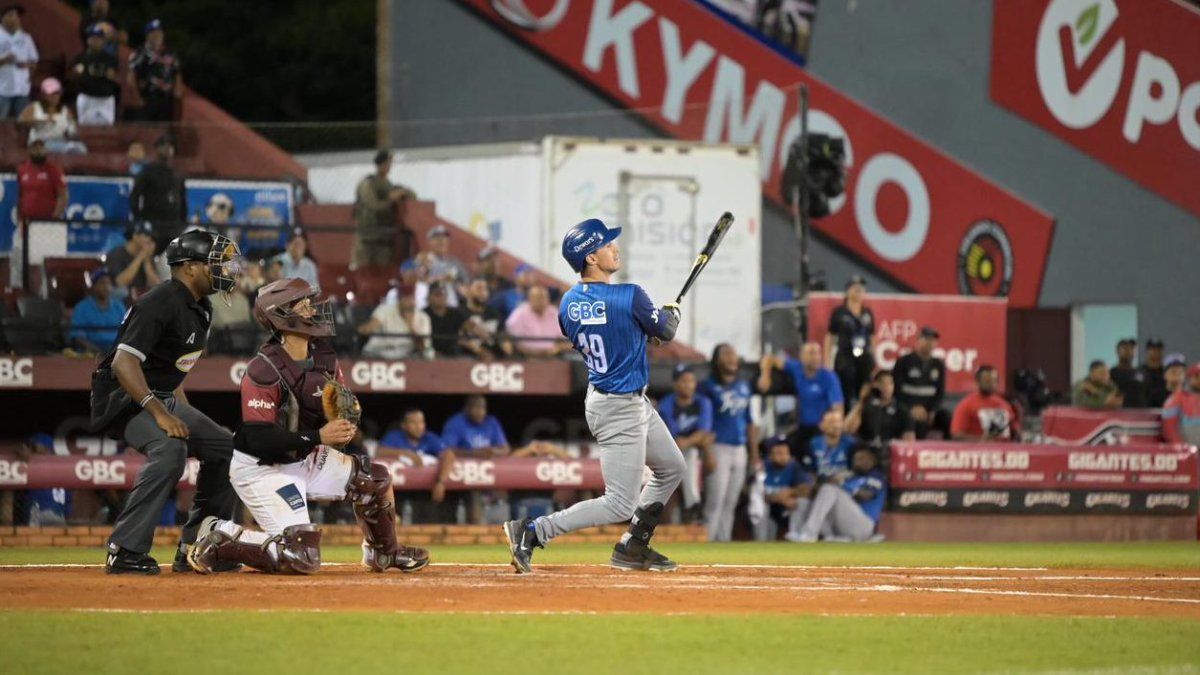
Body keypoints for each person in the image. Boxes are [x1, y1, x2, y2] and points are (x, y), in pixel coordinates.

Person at [185, 277, 430, 575]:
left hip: (304, 454)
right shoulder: (263, 368)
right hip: (262, 467)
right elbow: (257, 437)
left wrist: (344, 424)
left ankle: (384, 553)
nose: (313, 309)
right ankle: (220, 538)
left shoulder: (324, 357)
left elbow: (339, 408)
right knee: (300, 555)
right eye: (303, 304)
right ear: (281, 315)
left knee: (373, 479)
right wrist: (318, 435)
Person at [503, 218, 685, 573]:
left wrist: (651, 330)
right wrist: (667, 320)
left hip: (617, 398)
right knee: (619, 503)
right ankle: (533, 531)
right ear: (590, 258)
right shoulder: (629, 295)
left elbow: (614, 334)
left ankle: (634, 545)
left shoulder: (567, 303)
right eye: (606, 245)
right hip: (620, 405)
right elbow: (663, 330)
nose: (614, 248)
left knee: (672, 468)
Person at [89, 230, 243, 575]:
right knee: (170, 449)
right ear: (189, 267)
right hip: (122, 398)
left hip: (158, 395)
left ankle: (198, 547)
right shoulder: (159, 301)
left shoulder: (201, 307)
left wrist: (183, 414)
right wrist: (160, 413)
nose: (224, 269)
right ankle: (124, 550)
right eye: (215, 262)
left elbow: (172, 375)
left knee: (223, 445)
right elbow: (123, 364)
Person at [699, 343, 759, 542]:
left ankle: (723, 544)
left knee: (731, 502)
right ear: (717, 360)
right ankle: (707, 543)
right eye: (726, 355)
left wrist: (755, 454)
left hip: (740, 447)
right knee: (715, 501)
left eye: (733, 354)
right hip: (719, 446)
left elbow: (750, 421)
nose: (732, 358)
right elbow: (703, 423)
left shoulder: (744, 385)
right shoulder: (708, 386)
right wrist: (707, 451)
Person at [758, 341, 843, 456]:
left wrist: (831, 426)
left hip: (821, 428)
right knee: (777, 446)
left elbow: (838, 408)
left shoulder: (829, 377)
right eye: (811, 353)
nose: (816, 357)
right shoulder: (796, 368)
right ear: (802, 356)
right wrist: (765, 376)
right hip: (802, 426)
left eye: (818, 353)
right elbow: (768, 359)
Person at [787, 447, 886, 543]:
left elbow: (867, 495)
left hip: (863, 527)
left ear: (872, 460)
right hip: (840, 525)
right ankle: (798, 535)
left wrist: (841, 484)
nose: (857, 462)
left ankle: (809, 533)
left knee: (830, 489)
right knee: (801, 502)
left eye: (861, 459)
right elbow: (821, 494)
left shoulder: (876, 476)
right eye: (855, 459)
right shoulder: (850, 476)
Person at [657, 364, 714, 524]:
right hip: (670, 450)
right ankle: (693, 505)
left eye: (691, 380)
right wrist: (692, 440)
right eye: (684, 381)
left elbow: (704, 433)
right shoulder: (667, 403)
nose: (689, 384)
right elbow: (672, 435)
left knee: (690, 454)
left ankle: (692, 506)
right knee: (687, 455)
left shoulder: (703, 402)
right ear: (675, 384)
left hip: (697, 450)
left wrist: (689, 441)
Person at [10, 137, 67, 290]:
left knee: (42, 262)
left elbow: (63, 196)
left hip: (45, 223)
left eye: (41, 147)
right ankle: (16, 290)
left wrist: (53, 220)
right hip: (26, 223)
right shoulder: (23, 170)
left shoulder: (53, 170)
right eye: (35, 147)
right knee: (16, 254)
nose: (38, 150)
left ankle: (44, 296)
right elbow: (20, 195)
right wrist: (21, 218)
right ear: (29, 150)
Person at [377, 408, 456, 505]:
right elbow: (380, 451)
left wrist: (441, 482)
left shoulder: (429, 438)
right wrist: (407, 454)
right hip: (398, 490)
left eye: (421, 422)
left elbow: (449, 455)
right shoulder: (395, 437)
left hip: (426, 489)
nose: (418, 427)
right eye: (413, 423)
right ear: (404, 425)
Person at [353, 149, 414, 269]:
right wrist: (391, 199)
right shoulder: (368, 184)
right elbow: (373, 205)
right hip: (367, 238)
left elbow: (412, 196)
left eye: (390, 163)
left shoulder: (387, 184)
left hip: (383, 238)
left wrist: (402, 192)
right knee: (363, 272)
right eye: (386, 163)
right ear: (379, 164)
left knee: (383, 272)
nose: (388, 167)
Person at [751, 435, 814, 541]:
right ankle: (760, 544)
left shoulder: (794, 466)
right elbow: (754, 493)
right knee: (759, 505)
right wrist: (778, 498)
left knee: (801, 502)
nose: (783, 457)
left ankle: (796, 537)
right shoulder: (762, 466)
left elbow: (808, 488)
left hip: (784, 509)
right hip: (765, 509)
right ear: (770, 456)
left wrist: (791, 492)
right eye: (779, 453)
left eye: (785, 453)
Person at [893, 326, 951, 439]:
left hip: (928, 409)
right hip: (908, 407)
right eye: (926, 339)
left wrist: (932, 410)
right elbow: (897, 390)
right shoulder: (903, 362)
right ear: (918, 340)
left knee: (947, 418)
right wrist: (911, 408)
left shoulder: (938, 365)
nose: (930, 343)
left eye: (933, 340)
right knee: (916, 421)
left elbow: (940, 392)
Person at [130, 136, 187, 251]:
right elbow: (135, 195)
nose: (168, 149)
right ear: (157, 149)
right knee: (152, 254)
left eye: (170, 146)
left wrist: (182, 222)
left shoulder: (177, 173)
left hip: (174, 225)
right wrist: (139, 217)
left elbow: (182, 199)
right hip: (154, 223)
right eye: (164, 145)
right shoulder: (148, 171)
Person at [825, 275, 875, 406]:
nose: (859, 292)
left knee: (864, 390)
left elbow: (872, 336)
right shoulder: (839, 312)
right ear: (848, 291)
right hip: (845, 355)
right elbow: (830, 337)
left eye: (861, 289)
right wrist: (827, 362)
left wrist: (874, 359)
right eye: (855, 288)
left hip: (863, 356)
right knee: (844, 390)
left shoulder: (867, 313)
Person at [845, 369, 915, 450]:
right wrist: (862, 401)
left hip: (891, 453)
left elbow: (909, 443)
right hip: (868, 452)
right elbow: (847, 430)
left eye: (890, 383)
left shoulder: (902, 411)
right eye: (882, 383)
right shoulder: (865, 407)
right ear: (874, 385)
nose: (886, 387)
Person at [127, 19, 181, 122]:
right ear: (148, 35)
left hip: (166, 100)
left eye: (159, 32)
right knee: (144, 133)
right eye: (154, 33)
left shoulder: (171, 54)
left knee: (163, 132)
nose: (157, 36)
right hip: (147, 98)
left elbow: (177, 75)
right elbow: (131, 78)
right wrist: (137, 98)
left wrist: (177, 98)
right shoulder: (140, 53)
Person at [950, 365, 1019, 441]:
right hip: (979, 450)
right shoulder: (966, 405)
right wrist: (981, 440)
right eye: (987, 381)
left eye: (994, 380)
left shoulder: (1004, 405)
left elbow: (1015, 431)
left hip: (1007, 450)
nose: (991, 384)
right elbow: (957, 435)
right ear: (977, 382)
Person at [18, 77, 86, 154]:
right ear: (43, 94)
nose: (54, 97)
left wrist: (71, 131)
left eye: (57, 94)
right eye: (51, 94)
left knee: (80, 147)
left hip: (60, 141)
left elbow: (72, 130)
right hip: (40, 143)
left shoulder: (65, 110)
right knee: (52, 145)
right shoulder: (34, 108)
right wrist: (39, 123)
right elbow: (20, 123)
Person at [359, 292, 432, 360]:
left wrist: (410, 325)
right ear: (399, 300)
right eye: (405, 298)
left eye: (410, 298)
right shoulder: (385, 309)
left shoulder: (423, 318)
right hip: (376, 354)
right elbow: (369, 327)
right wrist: (366, 328)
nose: (408, 301)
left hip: (404, 358)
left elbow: (423, 347)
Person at [68, 268, 126, 355]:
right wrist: (96, 350)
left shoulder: (119, 307)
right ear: (94, 287)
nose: (106, 287)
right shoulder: (82, 307)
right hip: (91, 353)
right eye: (102, 283)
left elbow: (127, 333)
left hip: (115, 351)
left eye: (109, 283)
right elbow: (77, 336)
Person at [72, 24, 120, 126]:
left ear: (103, 41)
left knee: (107, 128)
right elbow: (72, 75)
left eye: (99, 38)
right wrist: (76, 72)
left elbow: (117, 78)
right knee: (84, 127)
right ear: (88, 40)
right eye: (93, 38)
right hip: (86, 96)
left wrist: (112, 75)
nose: (96, 41)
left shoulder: (110, 58)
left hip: (105, 98)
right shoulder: (81, 57)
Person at [506, 284, 571, 357]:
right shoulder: (519, 314)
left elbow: (566, 339)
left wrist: (558, 347)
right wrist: (532, 352)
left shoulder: (554, 313)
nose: (541, 301)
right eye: (537, 298)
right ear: (529, 299)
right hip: (525, 357)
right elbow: (512, 340)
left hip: (553, 356)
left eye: (544, 297)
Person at [105, 221, 162, 300]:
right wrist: (140, 257)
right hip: (119, 301)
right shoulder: (117, 254)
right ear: (135, 235)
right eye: (146, 235)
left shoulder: (147, 255)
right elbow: (120, 283)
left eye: (151, 237)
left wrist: (146, 263)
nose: (149, 240)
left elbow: (157, 287)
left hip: (141, 301)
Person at [0, 4, 38, 119]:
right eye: (11, 15)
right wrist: (4, 61)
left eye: (17, 16)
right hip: (2, 90)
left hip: (22, 90)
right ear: (2, 18)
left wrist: (27, 65)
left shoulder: (26, 38)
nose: (15, 18)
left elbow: (34, 61)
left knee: (23, 124)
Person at [442, 395, 510, 459]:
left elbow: (505, 449)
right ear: (466, 409)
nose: (480, 412)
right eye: (476, 408)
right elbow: (446, 451)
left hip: (490, 464)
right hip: (464, 465)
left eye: (483, 408)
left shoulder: (491, 422)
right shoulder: (455, 423)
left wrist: (494, 452)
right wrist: (474, 453)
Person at [420, 225, 469, 305]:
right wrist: (441, 280)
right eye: (437, 238)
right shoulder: (425, 260)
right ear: (429, 242)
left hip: (453, 305)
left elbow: (466, 283)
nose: (441, 241)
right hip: (431, 305)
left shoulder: (455, 263)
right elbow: (421, 282)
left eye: (444, 238)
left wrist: (459, 286)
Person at [806, 409, 855, 479]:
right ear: (821, 425)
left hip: (845, 485)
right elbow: (810, 471)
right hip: (821, 484)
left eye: (839, 422)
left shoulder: (851, 444)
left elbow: (855, 471)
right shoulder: (813, 444)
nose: (836, 426)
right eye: (831, 422)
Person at [424, 282, 467, 357]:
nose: (441, 297)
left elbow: (468, 325)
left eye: (444, 294)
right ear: (429, 297)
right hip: (430, 353)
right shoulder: (424, 315)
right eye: (437, 294)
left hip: (453, 353)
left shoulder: (455, 313)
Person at [1162, 364, 1200, 446]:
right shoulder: (1176, 399)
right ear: (1189, 378)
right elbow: (1169, 429)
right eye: (1197, 376)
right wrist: (1181, 448)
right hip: (1186, 452)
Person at [1110, 338, 1148, 408]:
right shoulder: (1111, 373)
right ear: (1117, 351)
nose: (1129, 352)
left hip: (1139, 414)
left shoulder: (1142, 373)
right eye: (1125, 349)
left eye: (1132, 349)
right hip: (1119, 415)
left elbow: (1147, 393)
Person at [1142, 338, 1168, 408]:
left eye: (1158, 349)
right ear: (1147, 351)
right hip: (1144, 413)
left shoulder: (1167, 372)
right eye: (1152, 349)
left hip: (1165, 412)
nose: (1155, 352)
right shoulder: (1139, 372)